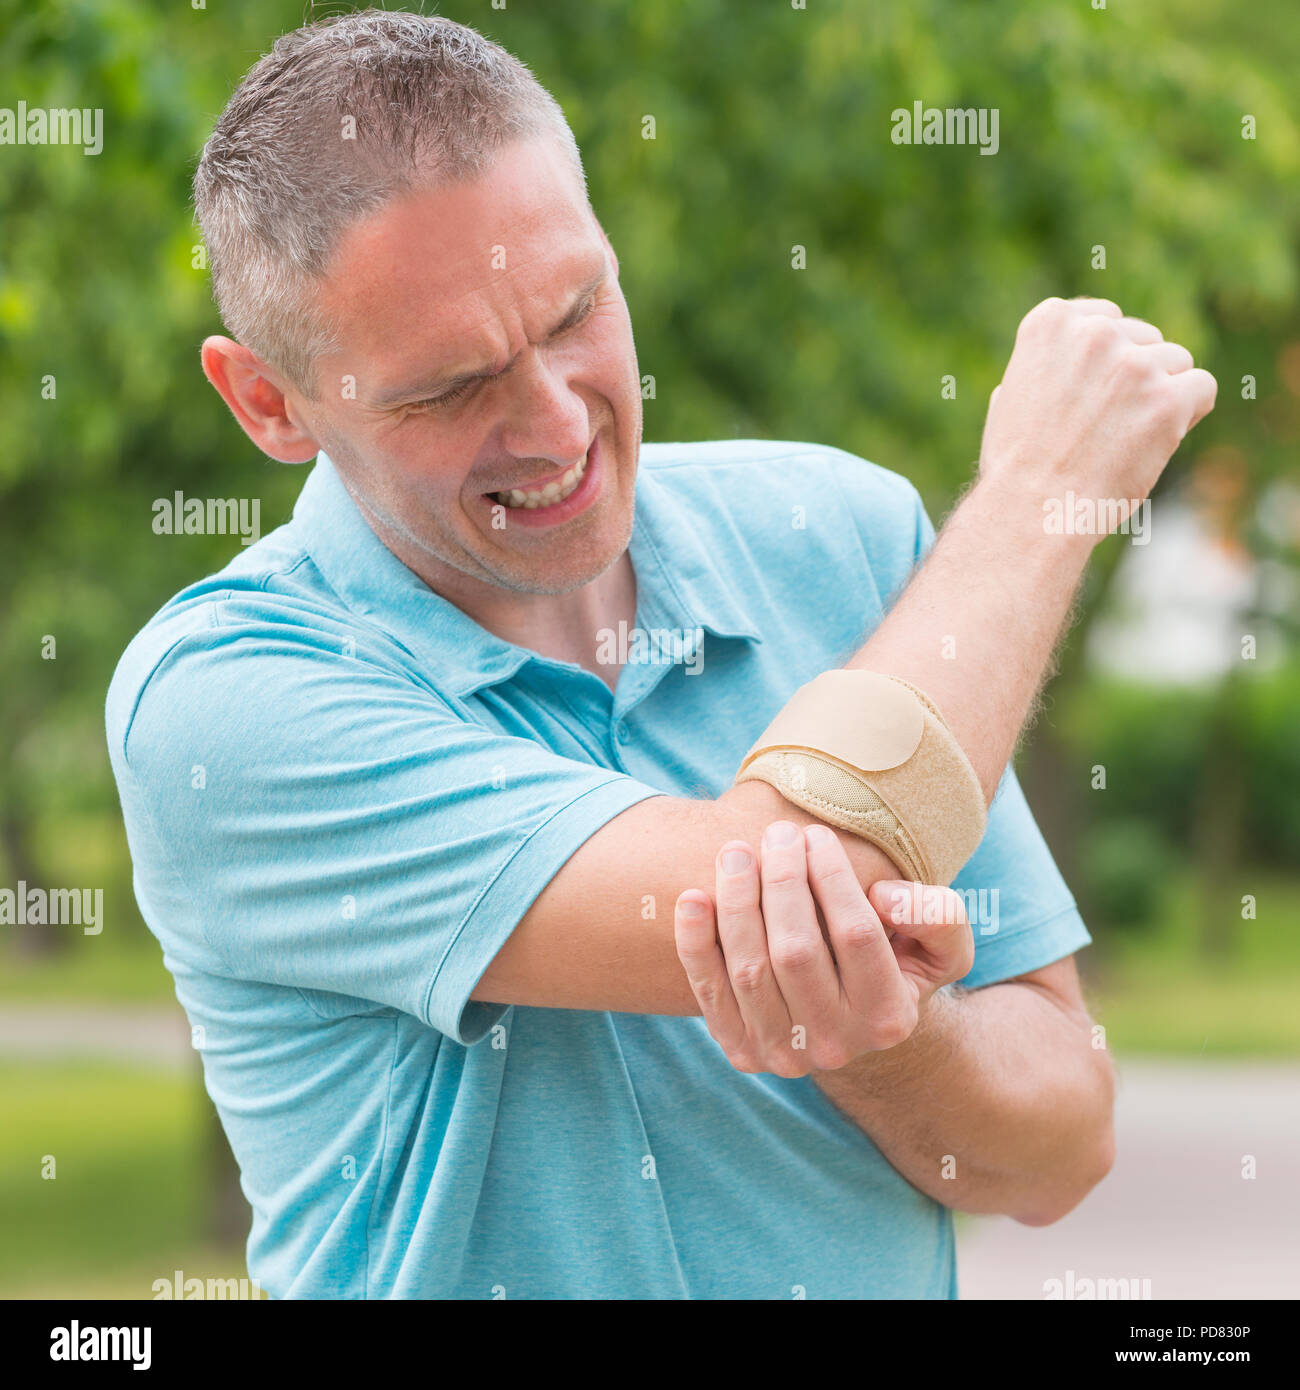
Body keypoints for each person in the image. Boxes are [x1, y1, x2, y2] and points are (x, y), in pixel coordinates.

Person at [105, 10, 1216, 1298]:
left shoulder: (840, 536)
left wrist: (884, 1036)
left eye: (577, 310)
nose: (554, 420)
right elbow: (781, 886)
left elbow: (1061, 1149)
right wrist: (1033, 505)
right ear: (267, 401)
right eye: (448, 388)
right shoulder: (225, 707)